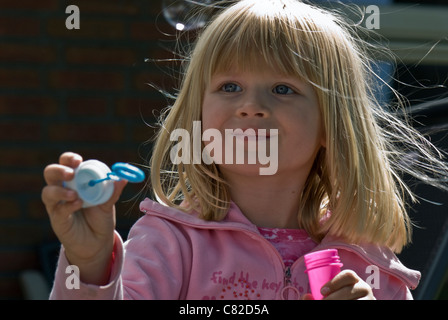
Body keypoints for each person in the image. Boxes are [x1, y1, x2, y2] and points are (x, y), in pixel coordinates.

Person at [42, 0, 448, 300]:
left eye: (283, 89)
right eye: (229, 87)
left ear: (332, 125)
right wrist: (90, 263)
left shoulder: (367, 257)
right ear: (198, 119)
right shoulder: (171, 242)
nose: (250, 105)